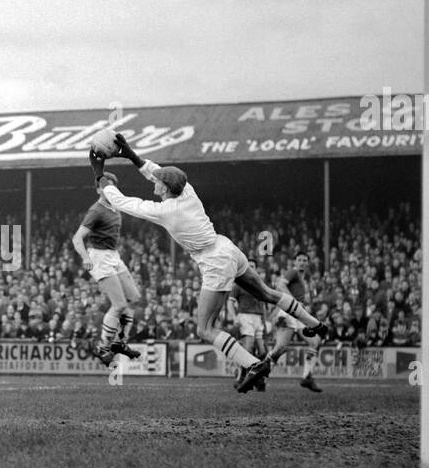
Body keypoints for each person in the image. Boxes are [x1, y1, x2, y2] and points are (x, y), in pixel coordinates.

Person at [94, 134, 330, 392]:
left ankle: (253, 364)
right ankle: (315, 324)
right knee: (267, 293)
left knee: (205, 328)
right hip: (227, 247)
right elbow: (155, 172)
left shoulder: (166, 211)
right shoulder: (188, 192)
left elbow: (124, 202)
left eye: (158, 182)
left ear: (165, 188)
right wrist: (131, 155)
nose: (154, 182)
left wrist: (99, 174)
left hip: (214, 260)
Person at [70, 171, 142, 367]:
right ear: (98, 189)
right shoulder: (96, 211)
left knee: (133, 298)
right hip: (99, 257)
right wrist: (85, 258)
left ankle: (120, 343)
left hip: (113, 255)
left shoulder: (116, 205)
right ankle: (103, 347)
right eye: (104, 186)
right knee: (119, 305)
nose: (109, 189)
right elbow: (77, 239)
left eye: (112, 186)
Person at [261, 252, 324, 393]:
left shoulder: (302, 278)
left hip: (297, 314)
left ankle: (307, 377)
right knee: (279, 349)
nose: (302, 262)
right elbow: (280, 285)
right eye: (299, 260)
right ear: (295, 261)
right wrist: (293, 301)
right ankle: (260, 377)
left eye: (304, 260)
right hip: (290, 312)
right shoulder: (293, 272)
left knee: (315, 341)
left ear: (307, 263)